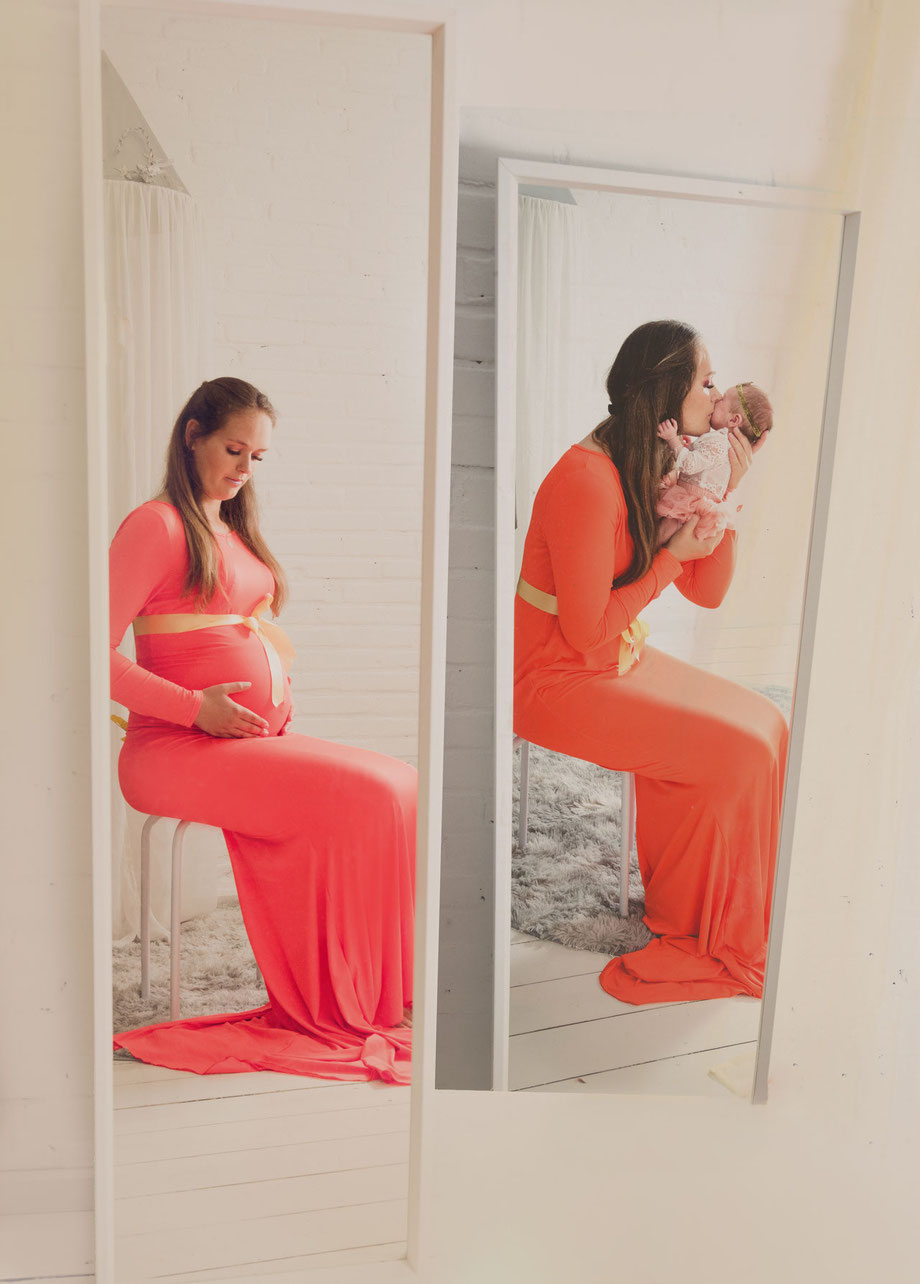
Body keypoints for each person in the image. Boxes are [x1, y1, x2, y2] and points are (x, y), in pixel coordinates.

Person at [109, 377, 415, 1082]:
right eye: (232, 448)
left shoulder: (228, 526)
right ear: (193, 435)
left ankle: (375, 996)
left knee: (401, 784)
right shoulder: (154, 526)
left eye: (257, 456)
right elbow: (89, 651)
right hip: (173, 748)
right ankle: (329, 1003)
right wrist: (195, 708)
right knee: (364, 796)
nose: (244, 468)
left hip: (241, 739)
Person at [514, 321, 788, 1004]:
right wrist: (670, 559)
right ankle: (704, 928)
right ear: (668, 388)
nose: (718, 391)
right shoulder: (586, 479)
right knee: (742, 753)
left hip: (617, 657)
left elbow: (709, 592)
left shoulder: (659, 461)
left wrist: (719, 502)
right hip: (556, 680)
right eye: (706, 379)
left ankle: (699, 908)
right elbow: (582, 634)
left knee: (768, 725)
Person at [656, 381, 774, 543]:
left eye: (723, 399)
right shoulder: (723, 446)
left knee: (659, 537)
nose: (717, 398)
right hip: (693, 505)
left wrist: (672, 440)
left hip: (689, 505)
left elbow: (689, 465)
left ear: (734, 420)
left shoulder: (718, 441)